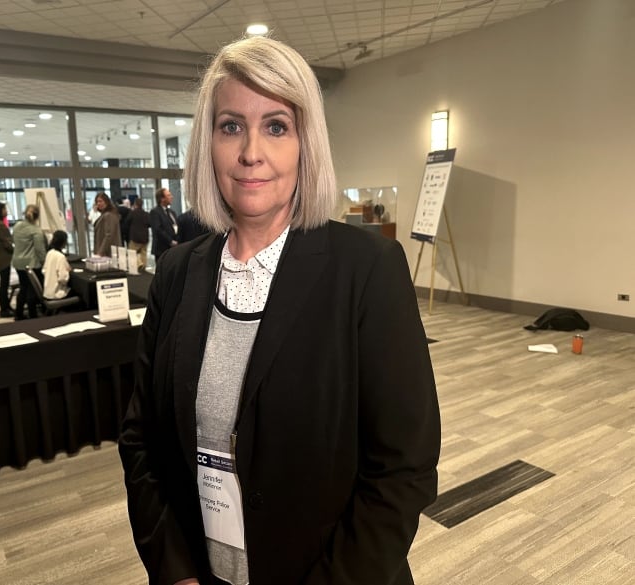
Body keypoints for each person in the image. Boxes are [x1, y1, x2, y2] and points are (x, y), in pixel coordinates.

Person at [119, 36, 440, 585]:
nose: (251, 152)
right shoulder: (176, 272)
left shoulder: (366, 269)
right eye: (230, 126)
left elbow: (401, 470)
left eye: (275, 126)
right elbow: (141, 441)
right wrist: (175, 569)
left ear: (305, 143)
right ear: (209, 144)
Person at [11, 204, 46, 320]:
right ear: (37, 216)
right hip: (31, 264)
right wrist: (45, 262)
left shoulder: (17, 226)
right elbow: (40, 250)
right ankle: (33, 315)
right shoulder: (36, 231)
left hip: (17, 262)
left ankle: (19, 314)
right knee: (32, 290)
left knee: (23, 287)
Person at [149, 187, 178, 260]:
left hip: (173, 249)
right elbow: (158, 229)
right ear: (162, 199)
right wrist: (170, 241)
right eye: (168, 195)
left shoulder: (172, 212)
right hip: (161, 250)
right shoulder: (155, 212)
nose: (172, 197)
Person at [42, 230, 72, 299]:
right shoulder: (60, 257)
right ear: (63, 242)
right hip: (57, 293)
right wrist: (67, 272)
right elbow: (63, 278)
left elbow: (43, 270)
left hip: (47, 292)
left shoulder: (49, 253)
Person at [123, 197, 151, 270]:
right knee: (143, 253)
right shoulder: (146, 214)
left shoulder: (132, 213)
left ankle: (137, 265)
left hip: (135, 237)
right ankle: (143, 267)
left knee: (132, 253)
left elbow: (127, 223)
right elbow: (149, 224)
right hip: (145, 237)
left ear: (135, 204)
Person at [92, 192, 121, 256]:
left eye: (101, 201)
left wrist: (100, 252)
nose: (98, 203)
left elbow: (108, 235)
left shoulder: (109, 215)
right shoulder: (105, 214)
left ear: (106, 202)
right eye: (97, 202)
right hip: (106, 252)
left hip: (108, 253)